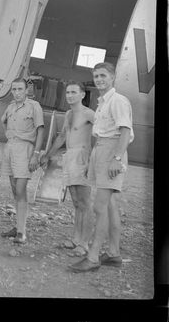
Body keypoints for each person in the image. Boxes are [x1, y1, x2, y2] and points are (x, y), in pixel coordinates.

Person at [69, 62, 134, 272]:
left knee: (99, 207)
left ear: (113, 77)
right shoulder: (103, 102)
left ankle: (94, 256)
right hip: (102, 150)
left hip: (112, 150)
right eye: (96, 76)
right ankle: (113, 253)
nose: (99, 80)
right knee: (111, 205)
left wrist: (116, 158)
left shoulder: (118, 101)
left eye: (103, 76)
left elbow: (125, 131)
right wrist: (94, 159)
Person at [40, 81, 95, 257]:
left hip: (83, 158)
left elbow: (102, 133)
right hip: (70, 157)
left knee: (85, 203)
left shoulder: (89, 114)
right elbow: (63, 136)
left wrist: (93, 159)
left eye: (73, 92)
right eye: (68, 92)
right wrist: (48, 155)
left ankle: (85, 243)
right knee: (77, 203)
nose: (70, 95)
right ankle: (76, 239)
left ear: (82, 95)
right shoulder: (69, 114)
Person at [0, 77, 45, 244]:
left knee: (20, 189)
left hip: (25, 149)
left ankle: (22, 233)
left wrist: (36, 153)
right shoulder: (10, 107)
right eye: (14, 89)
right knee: (14, 188)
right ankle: (18, 226)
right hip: (10, 147)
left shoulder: (34, 106)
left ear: (27, 90)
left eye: (20, 89)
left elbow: (40, 130)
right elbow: (3, 121)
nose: (17, 92)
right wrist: (8, 134)